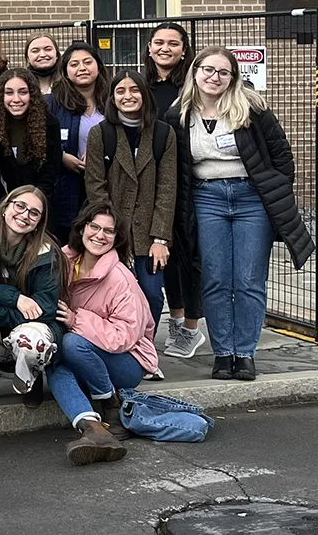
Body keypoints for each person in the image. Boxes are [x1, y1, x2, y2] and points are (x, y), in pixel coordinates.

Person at [166, 47, 313, 382]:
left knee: (248, 280)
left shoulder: (252, 110)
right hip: (208, 198)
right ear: (195, 72)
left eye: (223, 72)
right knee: (216, 279)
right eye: (208, 70)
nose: (214, 77)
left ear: (233, 77)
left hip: (251, 199)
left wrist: (272, 191)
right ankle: (222, 354)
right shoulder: (179, 114)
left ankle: (244, 354)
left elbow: (282, 157)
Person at [48, 201, 157, 466]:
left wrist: (77, 320)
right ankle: (92, 429)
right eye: (94, 226)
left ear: (117, 238)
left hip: (128, 361)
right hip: (89, 356)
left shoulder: (120, 278)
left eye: (108, 231)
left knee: (72, 343)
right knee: (54, 364)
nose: (99, 235)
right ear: (82, 228)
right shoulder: (64, 261)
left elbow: (124, 337)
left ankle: (111, 403)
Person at [85, 70, 178, 350]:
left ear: (144, 94)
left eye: (134, 90)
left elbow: (167, 188)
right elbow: (95, 186)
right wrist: (109, 235)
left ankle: (145, 349)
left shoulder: (163, 134)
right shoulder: (101, 133)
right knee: (114, 294)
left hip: (150, 234)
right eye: (121, 91)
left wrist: (160, 239)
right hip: (113, 233)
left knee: (151, 293)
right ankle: (119, 347)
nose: (128, 96)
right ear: (112, 98)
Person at [0, 186, 66, 408]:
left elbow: (44, 309)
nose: (24, 215)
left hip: (26, 320)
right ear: (5, 207)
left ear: (39, 221)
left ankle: (29, 377)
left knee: (34, 341)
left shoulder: (47, 251)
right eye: (20, 206)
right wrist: (15, 298)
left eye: (34, 212)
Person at [142, 22, 203, 356]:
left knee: (189, 255)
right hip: (154, 181)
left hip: (189, 178)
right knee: (164, 255)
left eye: (173, 43)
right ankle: (176, 320)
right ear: (149, 48)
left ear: (184, 50)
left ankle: (192, 327)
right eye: (159, 43)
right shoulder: (142, 86)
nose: (165, 48)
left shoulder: (193, 87)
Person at [47, 42, 111, 242]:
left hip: (107, 182)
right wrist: (63, 157)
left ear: (98, 66)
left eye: (87, 62)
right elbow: (43, 142)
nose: (82, 68)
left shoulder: (112, 100)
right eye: (74, 64)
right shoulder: (53, 103)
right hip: (68, 184)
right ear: (65, 72)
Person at [0, 68, 61, 206]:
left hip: (37, 203)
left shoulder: (49, 123)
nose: (16, 99)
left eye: (23, 92)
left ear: (32, 94)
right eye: (9, 93)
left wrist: (32, 204)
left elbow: (49, 174)